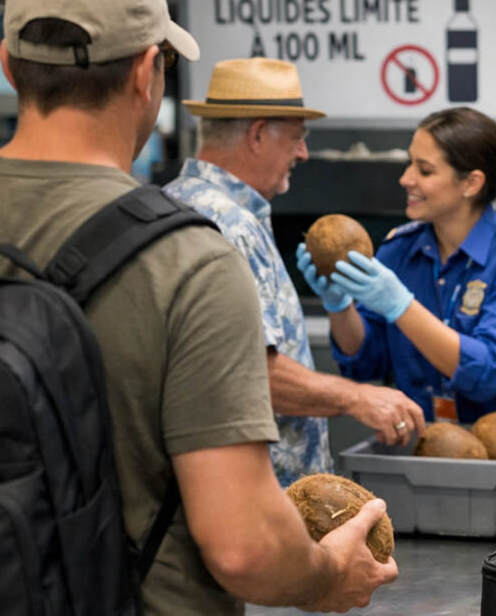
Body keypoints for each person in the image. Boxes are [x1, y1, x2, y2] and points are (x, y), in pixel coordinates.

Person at [0, 0, 397, 612]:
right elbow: (242, 548)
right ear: (147, 74)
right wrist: (330, 576)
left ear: (6, 64)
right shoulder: (188, 256)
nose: (302, 150)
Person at [163, 58, 425, 486]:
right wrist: (357, 398)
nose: (303, 153)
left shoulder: (178, 197)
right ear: (258, 134)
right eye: (297, 138)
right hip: (258, 497)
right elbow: (250, 373)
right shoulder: (231, 224)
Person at [297, 107, 496, 425]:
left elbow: (487, 372)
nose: (405, 179)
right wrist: (339, 306)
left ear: (472, 183)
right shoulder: (399, 250)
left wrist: (402, 306)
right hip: (427, 444)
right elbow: (366, 362)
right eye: (409, 163)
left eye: (424, 170)